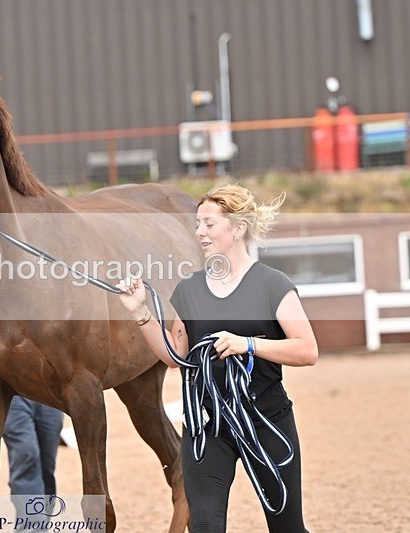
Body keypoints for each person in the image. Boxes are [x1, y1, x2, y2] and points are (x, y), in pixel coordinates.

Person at [117, 184, 318, 532]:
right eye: (197, 224)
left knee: (288, 527)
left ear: (237, 228)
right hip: (207, 428)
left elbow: (306, 349)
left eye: (209, 224)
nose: (199, 232)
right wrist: (141, 314)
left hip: (265, 421)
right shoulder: (189, 290)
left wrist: (248, 344)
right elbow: (175, 356)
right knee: (205, 526)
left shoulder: (272, 284)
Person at [2, 396, 64, 518]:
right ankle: (30, 527)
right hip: (14, 395)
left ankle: (41, 525)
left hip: (51, 395)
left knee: (46, 468)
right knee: (26, 455)